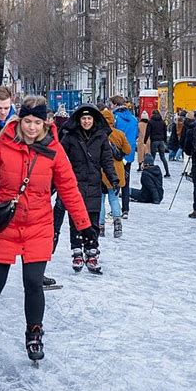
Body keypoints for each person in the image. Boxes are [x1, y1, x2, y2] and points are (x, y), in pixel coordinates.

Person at [0, 96, 93, 361]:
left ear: (45, 123)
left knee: (33, 283)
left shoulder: (54, 149)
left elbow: (69, 188)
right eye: (27, 121)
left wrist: (84, 225)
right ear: (19, 121)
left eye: (37, 122)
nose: (31, 127)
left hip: (38, 224)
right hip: (4, 223)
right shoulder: (1, 145)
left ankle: (34, 333)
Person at [54, 104, 119, 273]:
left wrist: (113, 178)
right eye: (83, 118)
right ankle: (77, 251)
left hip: (94, 183)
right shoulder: (70, 137)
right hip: (74, 184)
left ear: (94, 120)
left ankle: (91, 251)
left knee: (93, 219)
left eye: (89, 118)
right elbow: (59, 159)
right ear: (79, 120)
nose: (86, 121)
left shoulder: (101, 137)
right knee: (76, 219)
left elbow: (107, 160)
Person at [99, 108, 131, 237]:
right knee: (114, 198)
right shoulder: (119, 134)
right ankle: (117, 221)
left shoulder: (98, 134)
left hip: (101, 170)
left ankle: (100, 226)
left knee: (100, 199)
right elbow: (128, 150)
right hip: (116, 170)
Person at [110, 96, 138, 219]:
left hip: (116, 154)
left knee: (114, 181)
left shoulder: (115, 118)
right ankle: (125, 209)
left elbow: (113, 135)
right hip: (129, 154)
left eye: (111, 104)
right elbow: (136, 135)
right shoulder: (133, 119)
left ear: (115, 104)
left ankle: (115, 209)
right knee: (125, 181)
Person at [144, 110, 170, 177]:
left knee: (152, 157)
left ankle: (151, 172)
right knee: (163, 157)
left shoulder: (150, 122)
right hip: (161, 141)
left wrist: (145, 141)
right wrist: (165, 141)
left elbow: (148, 132)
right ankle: (167, 172)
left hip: (154, 141)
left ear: (152, 114)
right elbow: (165, 132)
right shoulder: (162, 122)